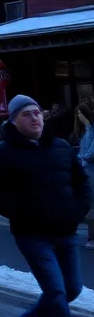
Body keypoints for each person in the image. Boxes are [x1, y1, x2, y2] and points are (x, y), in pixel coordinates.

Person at [0, 94, 91, 316]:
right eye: (27, 114)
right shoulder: (1, 153)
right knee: (55, 291)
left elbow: (81, 181)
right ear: (13, 120)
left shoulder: (61, 146)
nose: (35, 118)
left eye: (37, 113)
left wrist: (77, 209)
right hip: (32, 234)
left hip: (66, 229)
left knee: (71, 289)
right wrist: (24, 214)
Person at [75, 102, 94, 250]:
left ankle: (91, 237)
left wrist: (82, 158)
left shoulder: (91, 130)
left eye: (79, 114)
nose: (78, 117)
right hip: (86, 169)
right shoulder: (85, 131)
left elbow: (91, 152)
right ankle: (90, 236)